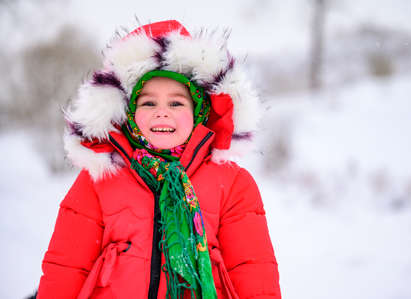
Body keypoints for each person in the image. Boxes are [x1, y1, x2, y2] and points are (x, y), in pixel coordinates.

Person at [37, 20, 281, 299]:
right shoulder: (99, 180)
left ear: (199, 112)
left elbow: (253, 271)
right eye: (148, 103)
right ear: (128, 112)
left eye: (176, 103)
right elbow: (67, 267)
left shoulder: (233, 184)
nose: (161, 113)